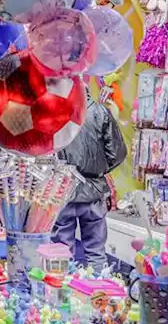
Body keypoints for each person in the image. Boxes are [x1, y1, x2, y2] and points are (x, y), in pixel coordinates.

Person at [53, 88, 127, 272]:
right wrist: (99, 169)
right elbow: (117, 153)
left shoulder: (54, 112)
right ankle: (99, 293)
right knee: (96, 253)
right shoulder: (100, 112)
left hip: (63, 190)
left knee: (61, 253)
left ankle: (63, 295)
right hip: (94, 191)